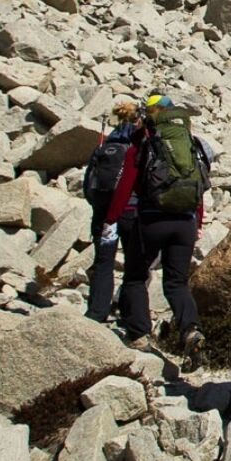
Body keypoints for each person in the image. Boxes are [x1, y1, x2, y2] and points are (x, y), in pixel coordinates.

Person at [106, 94, 209, 357]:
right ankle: (191, 329)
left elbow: (126, 184)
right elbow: (199, 186)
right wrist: (196, 221)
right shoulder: (192, 144)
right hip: (185, 222)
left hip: (152, 219)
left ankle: (139, 334)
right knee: (177, 283)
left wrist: (110, 219)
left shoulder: (145, 143)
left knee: (135, 277)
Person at [83, 99, 145, 324]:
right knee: (133, 265)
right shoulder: (136, 146)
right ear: (138, 119)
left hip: (103, 212)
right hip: (130, 211)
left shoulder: (105, 145)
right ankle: (130, 315)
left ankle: (96, 312)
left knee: (103, 262)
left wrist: (98, 207)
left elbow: (88, 183)